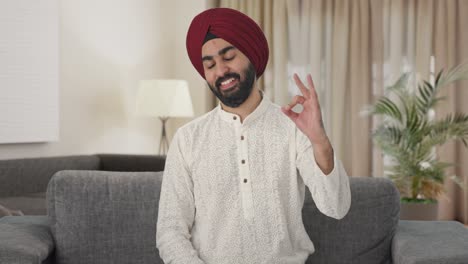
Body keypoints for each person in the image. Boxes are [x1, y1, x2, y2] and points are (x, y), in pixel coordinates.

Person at [156, 7, 351, 264]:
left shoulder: (293, 128)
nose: (221, 70)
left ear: (250, 54)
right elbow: (170, 231)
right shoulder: (187, 139)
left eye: (229, 56)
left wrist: (319, 140)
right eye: (210, 64)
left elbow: (336, 207)